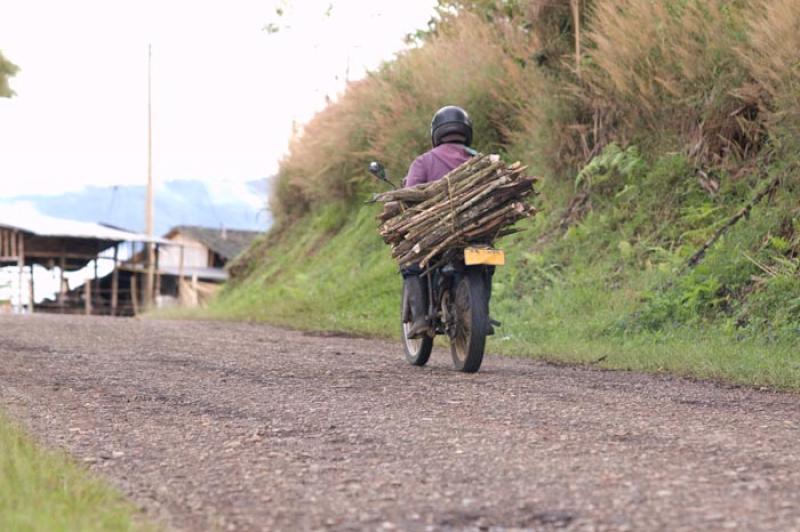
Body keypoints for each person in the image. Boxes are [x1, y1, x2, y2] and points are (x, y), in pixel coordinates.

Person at [402, 105, 475, 339]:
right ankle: (481, 314)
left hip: (436, 233)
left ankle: (421, 319)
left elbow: (409, 194)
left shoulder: (424, 162)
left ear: (436, 132)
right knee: (486, 261)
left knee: (411, 263)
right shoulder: (480, 160)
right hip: (476, 229)